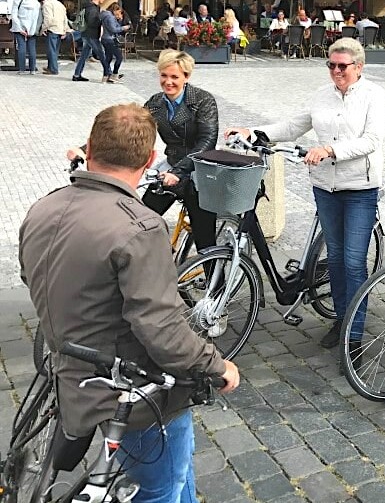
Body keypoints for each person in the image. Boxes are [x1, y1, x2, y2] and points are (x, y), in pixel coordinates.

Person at [24, 104, 239, 503]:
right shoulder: (140, 227)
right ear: (150, 161)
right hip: (131, 389)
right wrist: (215, 365)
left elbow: (33, 277)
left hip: (69, 370)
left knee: (176, 479)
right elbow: (161, 327)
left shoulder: (43, 207)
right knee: (160, 489)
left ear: (89, 147)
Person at [225, 39, 385, 367]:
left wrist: (330, 150)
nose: (336, 71)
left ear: (359, 67)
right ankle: (341, 319)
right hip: (325, 188)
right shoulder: (321, 95)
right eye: (331, 65)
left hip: (359, 188)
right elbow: (292, 126)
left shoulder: (375, 96)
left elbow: (372, 140)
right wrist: (253, 130)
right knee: (338, 259)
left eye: (343, 66)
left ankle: (354, 337)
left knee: (354, 262)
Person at [71, 50, 222, 251]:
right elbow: (128, 130)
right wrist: (85, 150)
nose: (168, 82)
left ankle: (216, 281)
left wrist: (178, 171)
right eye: (164, 75)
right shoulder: (156, 103)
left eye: (175, 77)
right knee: (142, 220)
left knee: (204, 237)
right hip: (170, 169)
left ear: (186, 77)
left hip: (200, 171)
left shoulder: (203, 101)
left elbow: (207, 141)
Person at [72, 0, 110, 82]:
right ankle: (109, 74)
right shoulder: (93, 9)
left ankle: (77, 74)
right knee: (102, 54)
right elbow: (92, 22)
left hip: (87, 34)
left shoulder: (89, 7)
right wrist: (101, 20)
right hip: (91, 35)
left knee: (84, 56)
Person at [40, 0, 71, 76]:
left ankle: (53, 69)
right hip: (60, 29)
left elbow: (48, 19)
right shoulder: (60, 4)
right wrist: (65, 29)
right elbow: (65, 18)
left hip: (52, 29)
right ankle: (51, 67)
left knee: (51, 50)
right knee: (55, 50)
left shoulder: (47, 4)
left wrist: (43, 29)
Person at [12, 0, 42, 75]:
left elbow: (14, 16)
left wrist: (20, 29)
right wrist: (32, 30)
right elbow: (37, 18)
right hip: (32, 29)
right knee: (32, 49)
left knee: (21, 48)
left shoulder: (17, 1)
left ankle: (22, 69)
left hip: (20, 28)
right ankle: (32, 69)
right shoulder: (36, 3)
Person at [100, 3, 127, 84]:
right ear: (115, 10)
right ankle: (114, 75)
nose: (119, 14)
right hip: (110, 40)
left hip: (105, 38)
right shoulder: (110, 17)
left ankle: (105, 76)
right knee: (119, 57)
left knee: (108, 58)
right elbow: (114, 29)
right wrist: (123, 28)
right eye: (118, 12)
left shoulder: (105, 16)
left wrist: (119, 19)